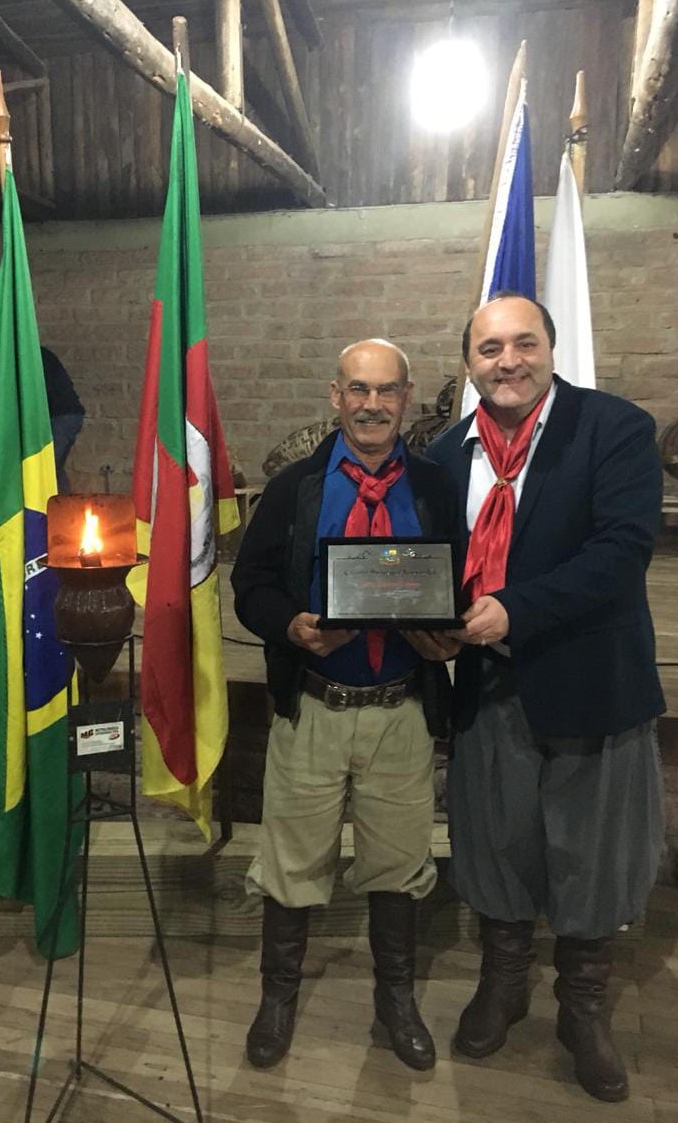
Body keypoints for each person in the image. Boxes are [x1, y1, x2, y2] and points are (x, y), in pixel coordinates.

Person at [423, 292, 665, 1103]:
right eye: (488, 349)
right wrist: (422, 622)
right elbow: (427, 564)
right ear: (469, 364)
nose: (507, 361)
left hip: (590, 680)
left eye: (522, 343)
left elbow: (620, 551)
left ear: (550, 349)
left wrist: (514, 610)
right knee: (495, 842)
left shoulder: (614, 429)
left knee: (589, 853)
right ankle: (502, 981)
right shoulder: (445, 453)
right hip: (486, 685)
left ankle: (583, 1008)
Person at [231, 338, 457, 1072]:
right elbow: (251, 584)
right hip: (314, 707)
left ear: (405, 395)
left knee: (397, 862)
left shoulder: (434, 486)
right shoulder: (293, 487)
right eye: (357, 390)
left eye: (385, 391)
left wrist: (445, 636)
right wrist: (288, 626)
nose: (370, 405)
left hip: (400, 711)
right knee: (290, 863)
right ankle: (278, 995)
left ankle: (395, 999)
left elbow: (460, 576)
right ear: (335, 396)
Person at [40, 346, 84, 493]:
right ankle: (62, 507)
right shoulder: (40, 353)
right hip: (66, 415)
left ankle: (54, 509)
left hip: (61, 416)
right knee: (54, 468)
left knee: (46, 469)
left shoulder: (31, 358)